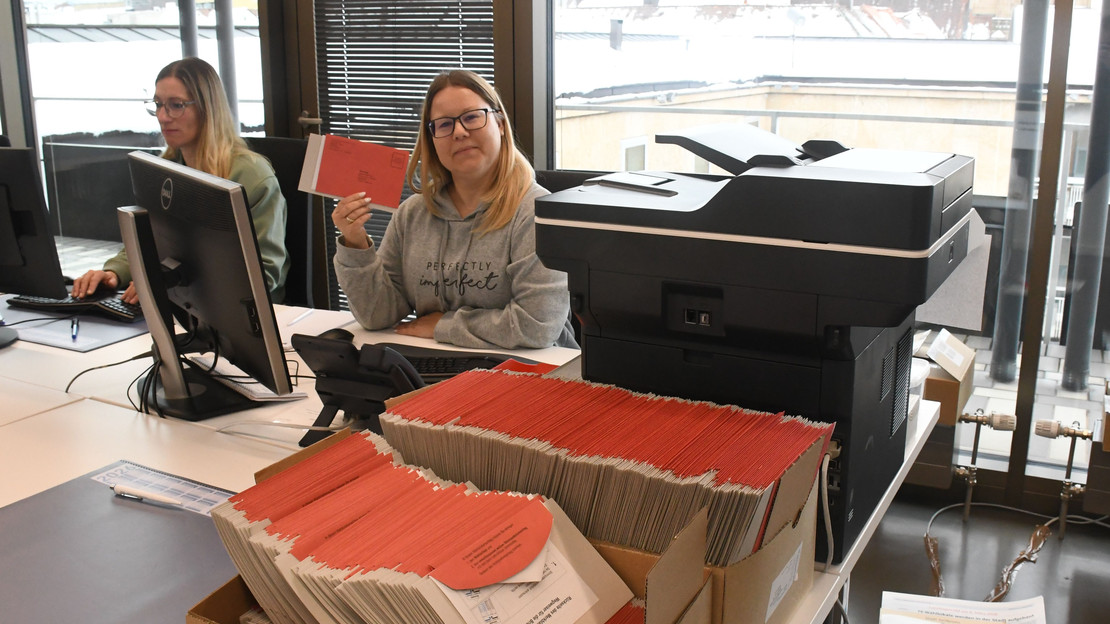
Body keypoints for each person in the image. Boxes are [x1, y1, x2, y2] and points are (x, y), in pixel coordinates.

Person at [331, 69, 576, 350]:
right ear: (432, 140)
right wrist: (355, 242)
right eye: (444, 124)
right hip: (440, 362)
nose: (459, 132)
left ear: (500, 124)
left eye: (472, 117)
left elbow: (537, 326)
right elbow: (377, 315)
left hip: (530, 370)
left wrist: (442, 325)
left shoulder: (535, 214)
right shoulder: (412, 214)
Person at [72, 57, 290, 304]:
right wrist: (113, 273)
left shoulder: (250, 174)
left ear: (207, 108)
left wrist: (166, 282)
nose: (163, 117)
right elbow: (148, 240)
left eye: (176, 105)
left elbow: (264, 272)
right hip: (182, 303)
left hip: (243, 314)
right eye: (158, 104)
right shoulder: (164, 168)